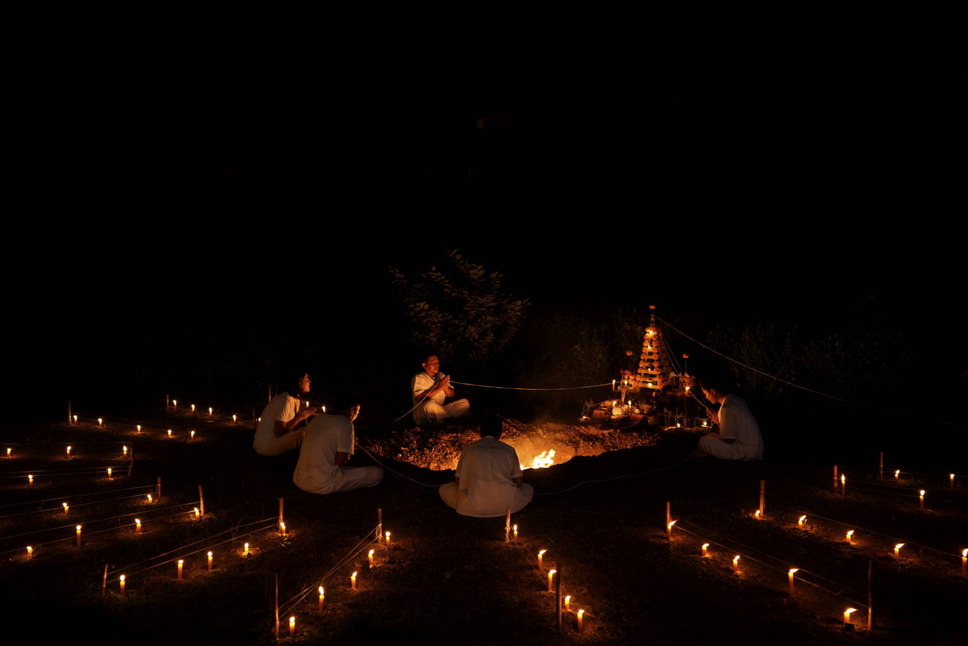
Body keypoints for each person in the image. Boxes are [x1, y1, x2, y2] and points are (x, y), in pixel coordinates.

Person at [439, 412, 533, 517]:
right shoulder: (509, 449)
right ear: (500, 433)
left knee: (444, 489)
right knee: (528, 489)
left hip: (472, 506)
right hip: (508, 505)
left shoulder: (469, 449)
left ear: (481, 433)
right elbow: (519, 481)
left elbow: (458, 480)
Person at [293, 389, 383, 495]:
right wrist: (349, 446)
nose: (356, 415)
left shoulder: (317, 419)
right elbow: (341, 461)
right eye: (357, 412)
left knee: (348, 470)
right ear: (353, 410)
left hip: (299, 480)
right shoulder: (345, 424)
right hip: (322, 483)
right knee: (377, 473)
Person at [697, 376, 764, 461]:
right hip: (755, 449)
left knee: (704, 442)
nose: (706, 398)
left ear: (713, 391)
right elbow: (732, 430)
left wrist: (714, 437)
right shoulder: (734, 399)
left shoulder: (727, 407)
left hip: (746, 451)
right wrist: (718, 422)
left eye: (706, 394)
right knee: (711, 436)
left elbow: (729, 439)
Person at [253, 371, 319, 456]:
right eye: (306, 379)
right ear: (299, 382)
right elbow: (280, 433)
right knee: (301, 435)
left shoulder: (296, 399)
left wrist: (310, 414)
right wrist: (299, 418)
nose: (309, 381)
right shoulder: (284, 401)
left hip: (277, 440)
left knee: (310, 430)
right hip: (266, 444)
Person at [411, 354, 470, 425]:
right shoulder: (419, 377)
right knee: (428, 405)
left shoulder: (440, 375)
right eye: (433, 363)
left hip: (440, 409)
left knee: (464, 403)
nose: (437, 365)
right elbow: (419, 398)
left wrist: (445, 387)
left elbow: (451, 394)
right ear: (424, 365)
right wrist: (439, 388)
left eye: (437, 362)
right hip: (424, 411)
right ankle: (450, 419)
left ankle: (445, 419)